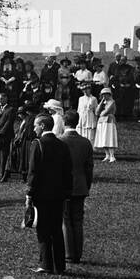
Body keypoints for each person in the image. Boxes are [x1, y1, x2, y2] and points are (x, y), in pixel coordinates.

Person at [26, 113, 73, 275]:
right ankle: (60, 265)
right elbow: (68, 172)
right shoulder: (62, 145)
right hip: (59, 194)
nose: (34, 128)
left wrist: (29, 194)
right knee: (57, 229)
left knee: (43, 230)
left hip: (42, 195)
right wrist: (67, 192)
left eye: (35, 125)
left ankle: (46, 264)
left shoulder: (37, 144)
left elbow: (33, 172)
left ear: (43, 126)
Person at [60, 111, 94, 265]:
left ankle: (68, 253)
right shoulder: (86, 142)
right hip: (81, 185)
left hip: (63, 186)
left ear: (64, 122)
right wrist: (87, 185)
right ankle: (77, 254)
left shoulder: (60, 141)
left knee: (66, 220)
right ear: (77, 122)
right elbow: (89, 168)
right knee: (78, 221)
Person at [94, 87, 118, 162]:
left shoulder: (112, 102)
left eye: (106, 94)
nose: (104, 96)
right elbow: (97, 112)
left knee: (109, 137)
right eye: (103, 95)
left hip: (109, 121)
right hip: (101, 122)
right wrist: (101, 102)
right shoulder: (103, 102)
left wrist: (101, 113)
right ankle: (107, 155)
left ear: (109, 94)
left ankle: (112, 155)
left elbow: (105, 112)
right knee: (103, 138)